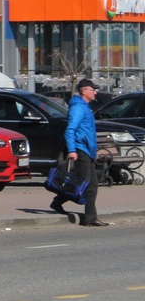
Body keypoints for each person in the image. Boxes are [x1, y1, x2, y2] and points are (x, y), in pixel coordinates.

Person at [50, 78, 110, 226]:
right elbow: (70, 130)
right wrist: (72, 150)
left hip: (86, 150)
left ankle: (58, 202)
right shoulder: (78, 107)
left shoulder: (84, 107)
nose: (95, 92)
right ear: (84, 91)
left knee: (84, 183)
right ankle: (90, 218)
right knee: (88, 184)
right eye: (92, 89)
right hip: (80, 150)